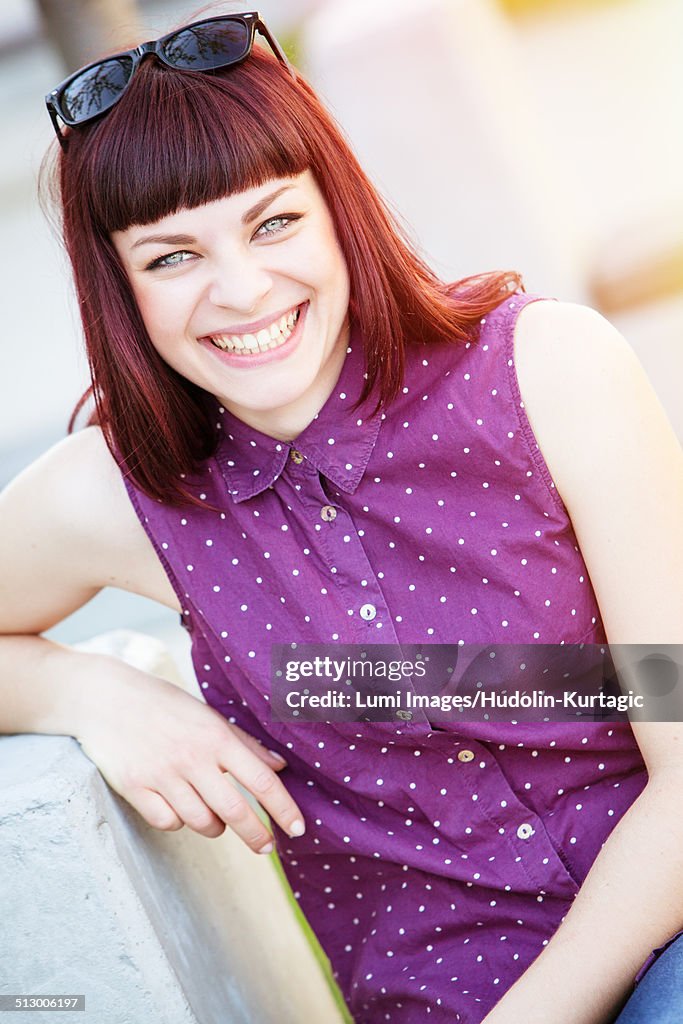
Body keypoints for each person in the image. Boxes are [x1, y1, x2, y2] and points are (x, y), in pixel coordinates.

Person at [2, 11, 683, 1024]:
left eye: (273, 222)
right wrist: (84, 691)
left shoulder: (546, 371)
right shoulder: (124, 492)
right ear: (120, 290)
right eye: (170, 257)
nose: (241, 291)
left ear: (337, 210)